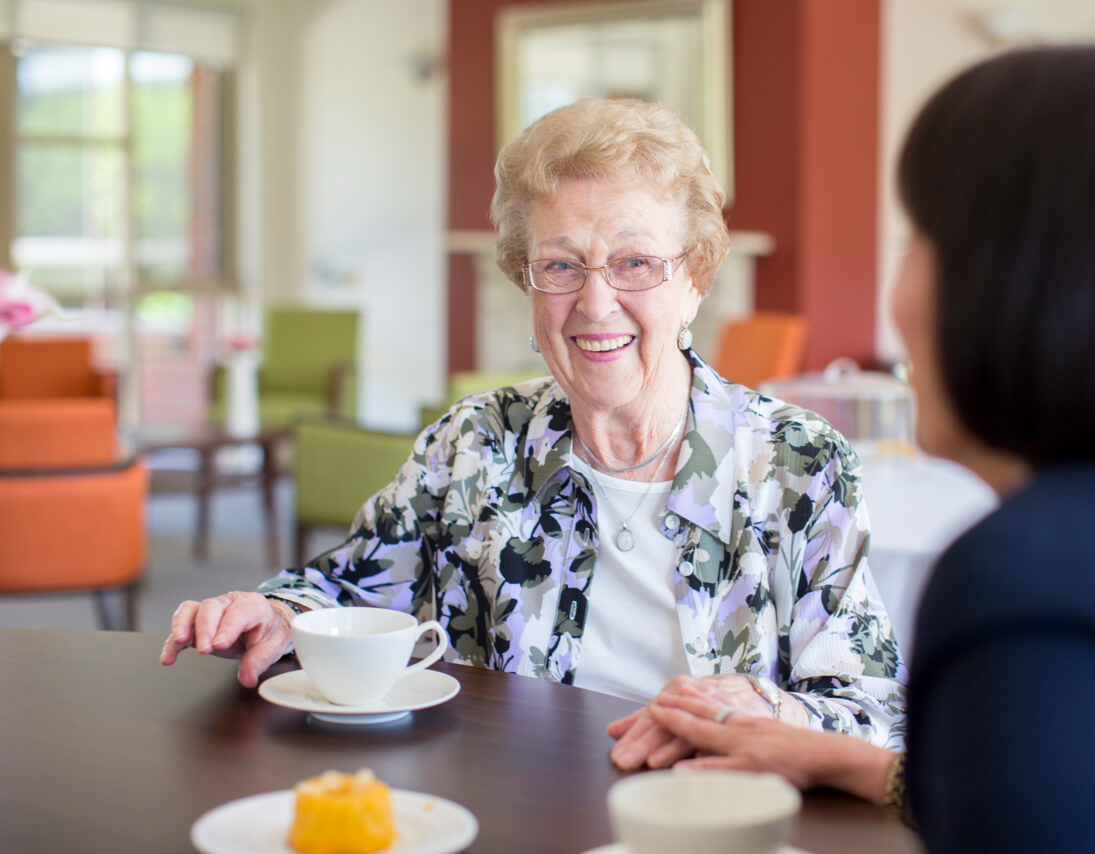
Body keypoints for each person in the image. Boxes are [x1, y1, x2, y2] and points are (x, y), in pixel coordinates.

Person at [647, 44, 1095, 852]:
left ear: (1028, 287)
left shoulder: (1047, 587)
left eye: (919, 239)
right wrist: (866, 766)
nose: (897, 297)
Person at [160, 97, 908, 767]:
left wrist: (766, 711)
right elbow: (345, 589)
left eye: (635, 262)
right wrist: (278, 613)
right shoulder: (473, 442)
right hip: (509, 819)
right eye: (560, 266)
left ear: (696, 278)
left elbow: (873, 715)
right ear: (526, 279)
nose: (595, 301)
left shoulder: (795, 462)